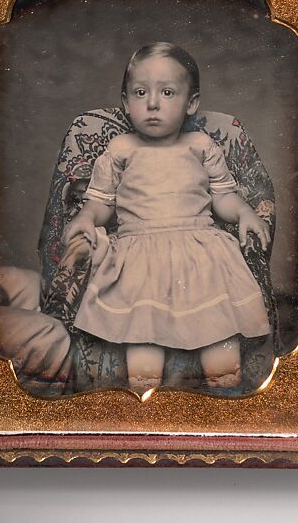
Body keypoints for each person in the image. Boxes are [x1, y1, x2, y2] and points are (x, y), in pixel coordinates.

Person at [61, 43, 271, 397]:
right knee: (142, 343)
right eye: (141, 93)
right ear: (126, 102)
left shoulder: (200, 144)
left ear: (190, 103)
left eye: (167, 92)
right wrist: (85, 216)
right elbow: (101, 202)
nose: (153, 103)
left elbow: (223, 197)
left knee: (220, 341)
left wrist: (245, 212)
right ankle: (147, 406)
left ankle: (228, 402)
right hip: (140, 256)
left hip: (200, 252)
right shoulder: (121, 149)